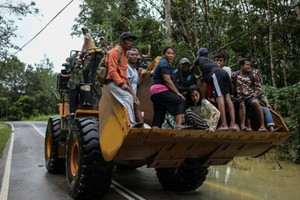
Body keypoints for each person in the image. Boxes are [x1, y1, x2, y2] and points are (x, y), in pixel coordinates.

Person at [193, 47, 238, 131]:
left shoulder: (199, 59)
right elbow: (205, 75)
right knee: (228, 98)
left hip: (216, 74)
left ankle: (224, 124)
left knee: (219, 98)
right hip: (223, 73)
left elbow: (192, 69)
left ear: (198, 55)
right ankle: (233, 124)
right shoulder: (209, 61)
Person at [105, 31, 143, 127]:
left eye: (132, 41)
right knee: (127, 98)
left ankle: (132, 122)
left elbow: (124, 74)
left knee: (131, 99)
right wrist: (121, 84)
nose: (131, 43)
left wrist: (130, 90)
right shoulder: (114, 52)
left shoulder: (124, 54)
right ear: (122, 41)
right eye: (129, 41)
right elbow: (112, 71)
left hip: (121, 82)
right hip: (113, 81)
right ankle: (131, 124)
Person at [150, 46, 186, 129]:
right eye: (168, 53)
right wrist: (177, 93)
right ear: (163, 54)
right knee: (180, 101)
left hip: (154, 92)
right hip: (160, 90)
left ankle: (155, 132)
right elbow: (167, 80)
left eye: (172, 54)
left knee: (159, 114)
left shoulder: (163, 63)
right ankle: (179, 125)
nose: (171, 55)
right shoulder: (164, 63)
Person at [234, 58, 267, 132]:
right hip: (239, 98)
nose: (249, 66)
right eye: (247, 65)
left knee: (255, 102)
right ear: (241, 66)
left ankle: (262, 126)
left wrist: (255, 94)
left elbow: (259, 87)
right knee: (239, 103)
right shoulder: (235, 75)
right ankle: (243, 125)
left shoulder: (253, 75)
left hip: (250, 97)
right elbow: (231, 86)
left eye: (249, 65)